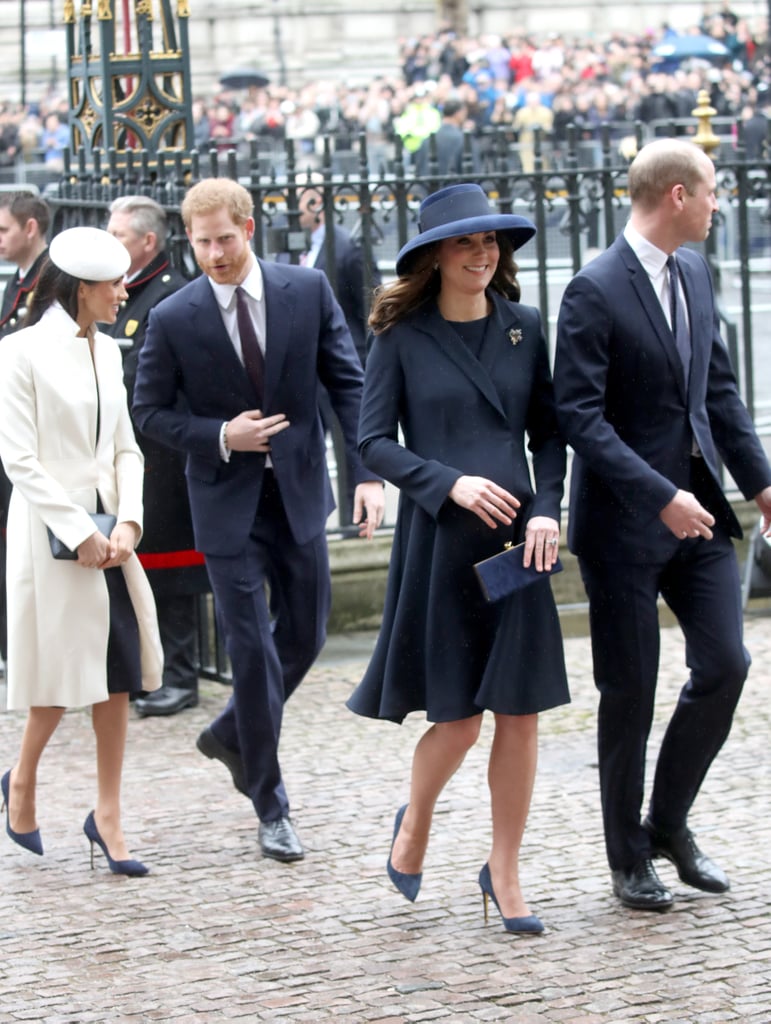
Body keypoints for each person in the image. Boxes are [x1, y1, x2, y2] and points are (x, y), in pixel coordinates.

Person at [132, 178, 385, 863]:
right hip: (224, 504)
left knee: (304, 633)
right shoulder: (175, 316)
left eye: (223, 238)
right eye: (201, 241)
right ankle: (271, 804)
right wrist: (221, 435)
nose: (213, 253)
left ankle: (230, 734)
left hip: (299, 493)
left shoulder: (305, 291)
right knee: (250, 650)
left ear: (248, 228)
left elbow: (348, 383)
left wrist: (365, 474)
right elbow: (148, 412)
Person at [553, 138, 771, 913]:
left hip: (700, 512)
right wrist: (656, 495)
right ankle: (626, 860)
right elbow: (577, 417)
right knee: (629, 694)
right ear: (675, 195)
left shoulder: (696, 272)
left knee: (726, 665)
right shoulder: (592, 288)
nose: (720, 204)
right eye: (711, 191)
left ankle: (667, 825)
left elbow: (718, 394)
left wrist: (762, 485)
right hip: (621, 528)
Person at [347, 183, 570, 934]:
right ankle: (414, 824)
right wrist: (448, 482)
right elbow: (370, 441)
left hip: (519, 548)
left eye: (489, 242)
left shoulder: (523, 325)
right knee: (459, 720)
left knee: (519, 713)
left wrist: (546, 508)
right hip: (442, 543)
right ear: (434, 257)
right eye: (465, 243)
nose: (481, 254)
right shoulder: (399, 336)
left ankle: (503, 870)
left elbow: (550, 434)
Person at [0, 227, 163, 875]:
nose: (125, 293)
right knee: (57, 678)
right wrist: (81, 531)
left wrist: (128, 522)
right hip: (51, 537)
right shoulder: (19, 353)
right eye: (114, 284)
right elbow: (19, 459)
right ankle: (22, 782)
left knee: (115, 674)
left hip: (110, 535)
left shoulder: (108, 351)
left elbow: (125, 447)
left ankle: (108, 814)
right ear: (80, 288)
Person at [106, 195, 208, 718]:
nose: (111, 242)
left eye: (119, 235)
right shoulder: (123, 292)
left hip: (163, 457)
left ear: (148, 242)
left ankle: (181, 677)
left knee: (171, 573)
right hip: (129, 451)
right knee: (139, 568)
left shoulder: (170, 294)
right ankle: (150, 672)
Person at [289, 175, 382, 523]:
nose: (290, 206)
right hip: (301, 373)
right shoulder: (287, 244)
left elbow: (371, 308)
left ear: (317, 203)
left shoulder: (347, 247)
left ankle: (354, 523)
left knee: (349, 454)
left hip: (340, 368)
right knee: (303, 454)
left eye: (299, 198)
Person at [0, 192, 51, 669]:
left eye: (4, 231)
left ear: (30, 228)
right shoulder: (15, 283)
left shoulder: (48, 282)